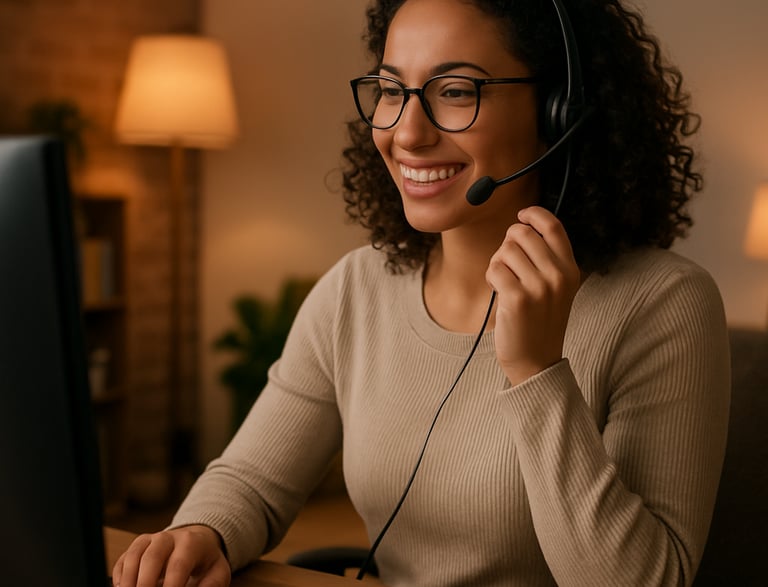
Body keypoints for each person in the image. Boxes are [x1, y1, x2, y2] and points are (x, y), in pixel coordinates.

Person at [112, 0, 730, 585]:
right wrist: (202, 531)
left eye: (456, 91)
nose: (407, 133)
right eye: (390, 90)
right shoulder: (357, 289)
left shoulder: (663, 305)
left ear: (558, 113)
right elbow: (250, 478)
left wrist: (538, 372)